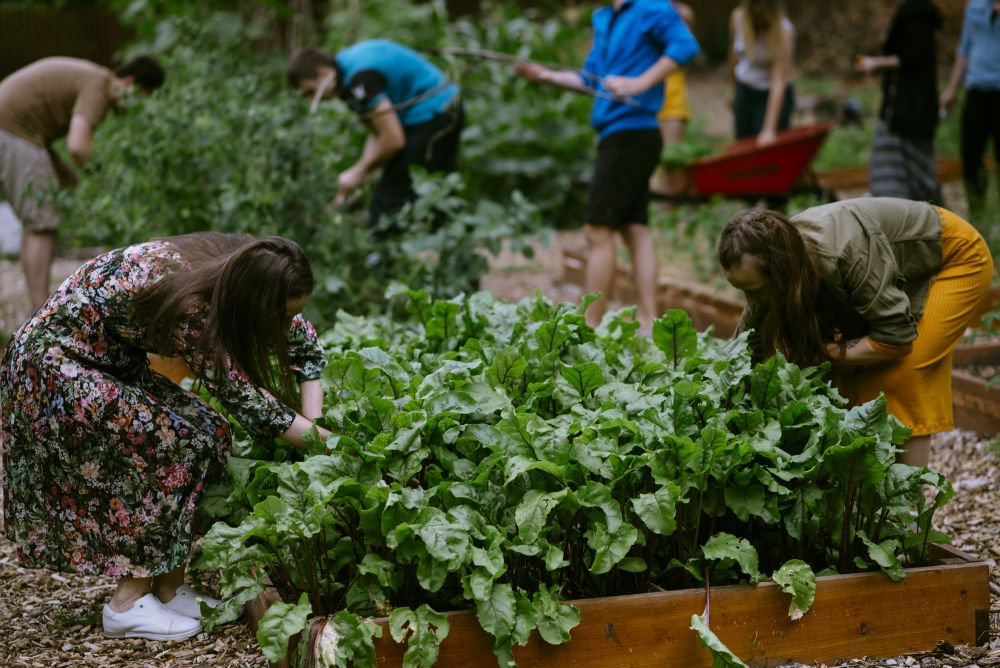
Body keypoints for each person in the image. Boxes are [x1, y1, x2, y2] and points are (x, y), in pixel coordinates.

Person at [1, 233, 331, 641]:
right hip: (54, 364)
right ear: (255, 301)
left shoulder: (249, 267)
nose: (284, 327)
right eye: (278, 318)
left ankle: (169, 587)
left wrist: (314, 426)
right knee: (165, 443)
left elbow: (304, 347)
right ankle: (127, 604)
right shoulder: (195, 308)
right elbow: (253, 406)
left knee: (210, 433)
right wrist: (327, 444)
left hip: (107, 361)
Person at [718, 198, 993, 467]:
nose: (751, 302)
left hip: (953, 258)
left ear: (780, 272)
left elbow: (894, 340)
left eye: (754, 291)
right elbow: (747, 345)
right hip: (892, 269)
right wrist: (723, 400)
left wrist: (826, 353)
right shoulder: (783, 262)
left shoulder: (844, 253)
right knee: (843, 376)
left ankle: (906, 501)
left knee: (902, 373)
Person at [516, 0, 700, 333]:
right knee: (634, 229)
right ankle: (649, 321)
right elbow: (591, 79)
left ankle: (589, 324)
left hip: (632, 134)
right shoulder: (604, 18)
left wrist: (640, 82)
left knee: (597, 230)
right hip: (618, 136)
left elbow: (685, 45)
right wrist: (547, 76)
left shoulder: (650, 7)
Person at [0, 56, 165, 310]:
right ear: (129, 82)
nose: (136, 107)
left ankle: (38, 304)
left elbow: (42, 124)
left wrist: (58, 166)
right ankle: (40, 311)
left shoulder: (94, 76)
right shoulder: (98, 86)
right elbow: (78, 146)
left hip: (17, 127)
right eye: (141, 97)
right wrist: (106, 181)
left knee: (36, 220)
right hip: (11, 128)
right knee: (41, 223)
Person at [287, 42, 464, 234]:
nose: (314, 100)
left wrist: (359, 171)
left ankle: (380, 257)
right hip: (445, 106)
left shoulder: (359, 80)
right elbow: (377, 132)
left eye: (311, 92)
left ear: (322, 73)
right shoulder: (345, 70)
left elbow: (393, 140)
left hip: (437, 112)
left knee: (389, 199)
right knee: (440, 191)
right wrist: (363, 172)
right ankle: (452, 251)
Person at [856, 0, 945, 205]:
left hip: (910, 111)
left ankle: (932, 218)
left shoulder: (916, 13)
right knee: (899, 173)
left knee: (918, 176)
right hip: (902, 110)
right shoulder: (913, 11)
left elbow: (912, 57)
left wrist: (876, 62)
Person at [940, 0, 1000, 222]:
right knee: (971, 154)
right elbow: (964, 50)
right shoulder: (974, 6)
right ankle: (978, 213)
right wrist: (951, 90)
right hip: (976, 88)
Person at [729, 0, 795, 146]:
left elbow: (778, 81)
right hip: (745, 89)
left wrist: (769, 130)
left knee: (770, 146)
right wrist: (734, 93)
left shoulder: (784, 31)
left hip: (772, 95)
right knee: (743, 144)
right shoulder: (738, 18)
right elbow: (733, 58)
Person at [653, 1, 696, 196]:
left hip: (673, 92)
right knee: (656, 154)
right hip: (648, 91)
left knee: (671, 153)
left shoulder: (682, 13)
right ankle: (667, 201)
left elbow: (685, 47)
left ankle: (680, 196)